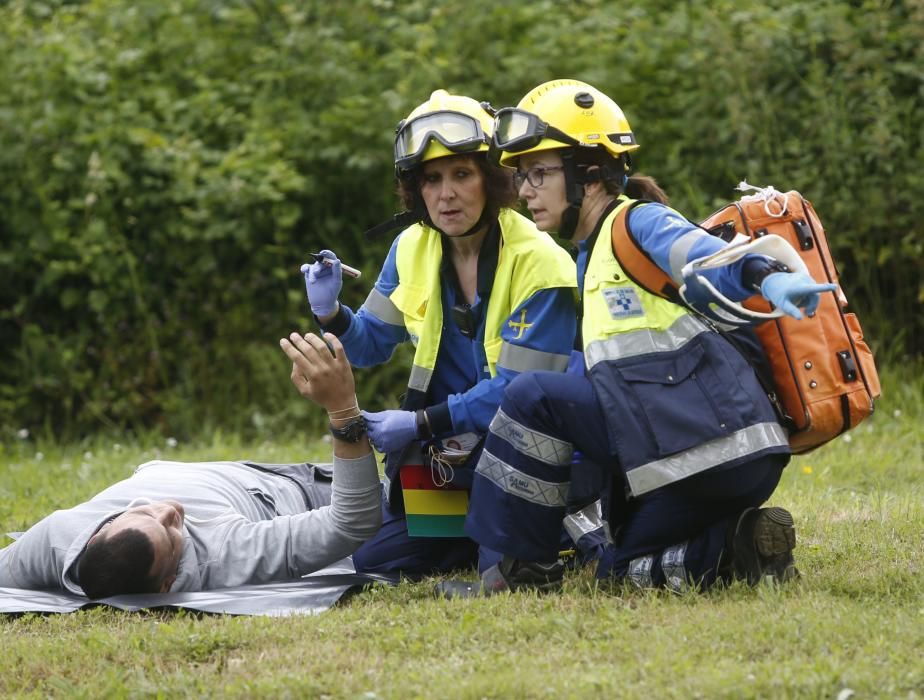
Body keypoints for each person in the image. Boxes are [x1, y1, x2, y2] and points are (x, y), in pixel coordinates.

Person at [441, 79, 837, 596]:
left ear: (588, 172)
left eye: (538, 173)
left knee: (530, 393)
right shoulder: (593, 254)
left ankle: (515, 572)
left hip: (704, 449)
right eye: (521, 176)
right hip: (717, 456)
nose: (523, 191)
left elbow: (703, 257)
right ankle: (738, 545)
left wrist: (769, 275)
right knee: (615, 574)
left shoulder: (636, 221)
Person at [304, 89, 580, 576]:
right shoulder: (410, 246)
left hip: (527, 449)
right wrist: (331, 314)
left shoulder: (542, 263)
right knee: (374, 564)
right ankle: (481, 536)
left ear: (492, 180)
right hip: (449, 453)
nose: (445, 194)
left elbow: (522, 394)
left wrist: (418, 424)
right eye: (431, 179)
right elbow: (370, 344)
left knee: (507, 568)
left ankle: (566, 529)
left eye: (461, 174)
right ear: (416, 189)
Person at [0, 332, 382, 598]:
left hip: (235, 473)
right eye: (171, 532)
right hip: (299, 492)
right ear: (167, 585)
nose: (170, 509)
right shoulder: (226, 556)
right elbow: (351, 521)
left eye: (141, 513)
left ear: (96, 535)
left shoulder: (59, 537)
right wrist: (343, 409)